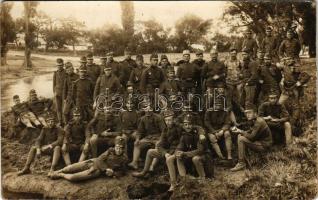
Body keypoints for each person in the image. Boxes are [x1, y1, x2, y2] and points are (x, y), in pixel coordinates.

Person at [50, 136, 128, 181]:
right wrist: (106, 169)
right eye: (117, 147)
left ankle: (61, 175)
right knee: (70, 168)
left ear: (123, 149)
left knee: (73, 178)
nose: (118, 150)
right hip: (93, 162)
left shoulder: (124, 158)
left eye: (121, 148)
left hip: (97, 170)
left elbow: (123, 172)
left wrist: (113, 173)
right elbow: (100, 159)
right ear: (115, 146)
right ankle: (56, 172)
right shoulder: (110, 150)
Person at [132, 110, 182, 178]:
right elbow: (160, 144)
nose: (168, 122)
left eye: (170, 120)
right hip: (167, 151)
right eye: (166, 120)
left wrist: (172, 152)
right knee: (150, 152)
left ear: (173, 120)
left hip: (175, 151)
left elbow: (181, 142)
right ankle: (144, 172)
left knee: (169, 158)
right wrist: (165, 153)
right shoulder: (165, 130)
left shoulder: (178, 128)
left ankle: (171, 178)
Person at [230, 104, 272, 171]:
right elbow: (251, 131)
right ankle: (245, 160)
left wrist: (240, 131)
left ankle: (241, 163)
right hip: (260, 142)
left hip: (265, 145)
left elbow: (251, 137)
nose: (247, 115)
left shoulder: (259, 121)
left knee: (241, 139)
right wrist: (240, 131)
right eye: (246, 113)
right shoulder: (255, 120)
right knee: (240, 136)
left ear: (255, 113)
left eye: (249, 112)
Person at [175, 114, 212, 182]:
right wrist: (178, 152)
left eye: (189, 124)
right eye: (185, 124)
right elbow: (179, 146)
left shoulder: (199, 134)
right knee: (179, 156)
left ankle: (203, 178)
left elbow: (200, 151)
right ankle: (184, 177)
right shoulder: (184, 135)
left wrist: (184, 153)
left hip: (204, 157)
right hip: (192, 157)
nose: (187, 126)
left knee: (196, 158)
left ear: (193, 125)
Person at [128, 105, 166, 169]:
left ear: (152, 109)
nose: (148, 111)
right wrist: (137, 139)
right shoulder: (143, 119)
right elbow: (140, 131)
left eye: (149, 109)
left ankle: (152, 165)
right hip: (148, 138)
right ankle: (135, 162)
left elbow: (163, 130)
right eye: (146, 109)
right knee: (137, 144)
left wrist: (161, 140)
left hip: (158, 137)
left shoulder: (158, 117)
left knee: (158, 146)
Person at [224, 46, 243, 111]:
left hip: (238, 82)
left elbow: (242, 70)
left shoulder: (239, 62)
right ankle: (230, 108)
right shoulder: (226, 62)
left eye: (235, 53)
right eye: (232, 53)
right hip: (229, 82)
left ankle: (240, 109)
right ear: (229, 53)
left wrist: (241, 75)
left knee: (239, 96)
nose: (233, 55)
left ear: (236, 54)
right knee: (228, 96)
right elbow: (224, 71)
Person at [53, 58, 67, 126]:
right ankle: (60, 121)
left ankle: (64, 122)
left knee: (63, 109)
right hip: (57, 93)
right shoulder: (55, 73)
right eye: (58, 65)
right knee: (58, 108)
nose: (59, 66)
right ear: (56, 66)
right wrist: (54, 92)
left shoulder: (66, 72)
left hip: (64, 93)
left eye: (61, 65)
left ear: (63, 65)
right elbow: (54, 84)